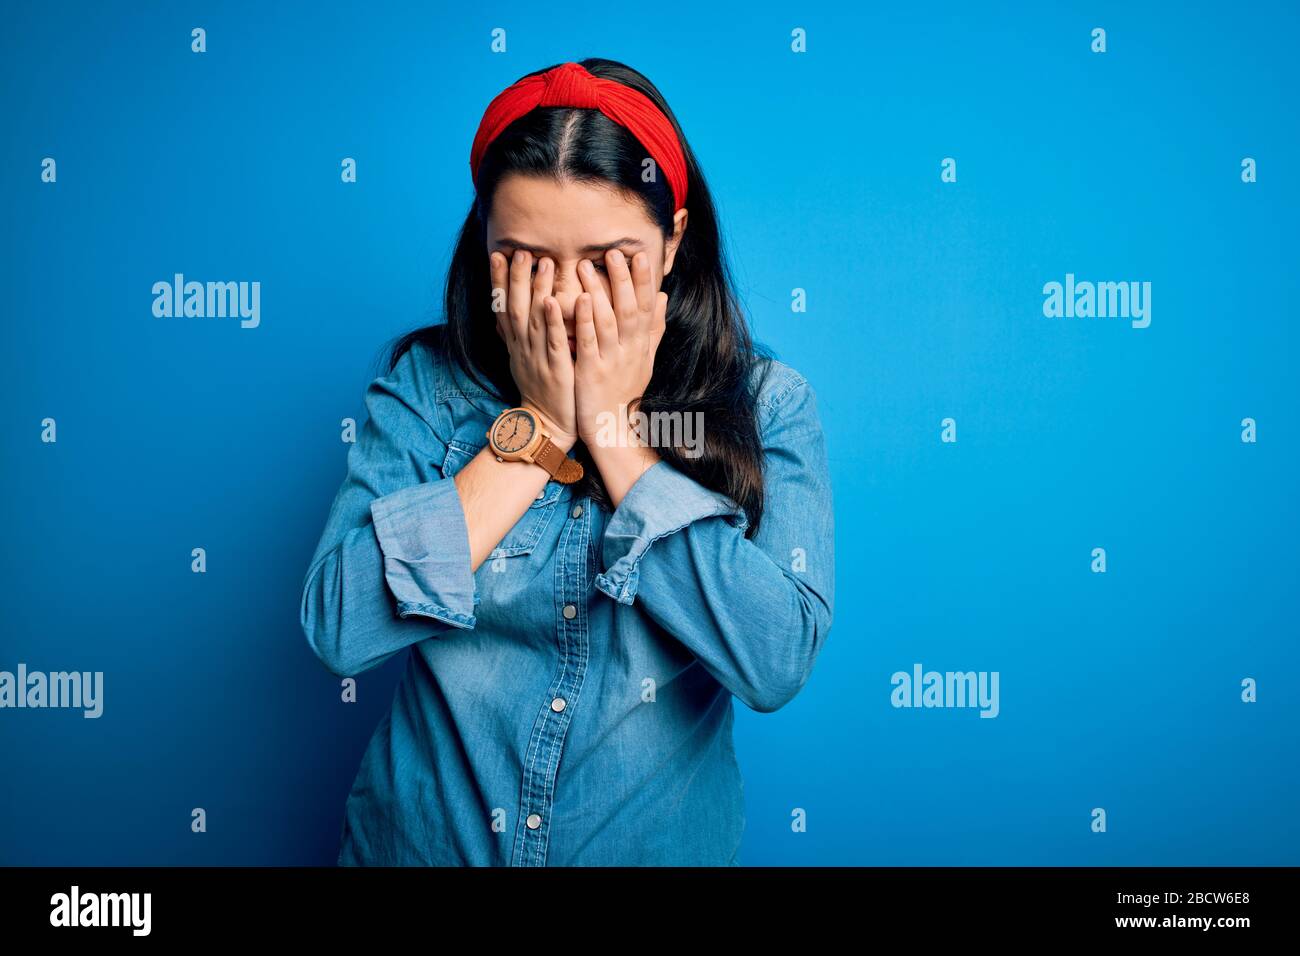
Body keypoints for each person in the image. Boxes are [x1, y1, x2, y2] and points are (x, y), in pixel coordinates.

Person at [300, 58, 835, 866]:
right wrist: (542, 425)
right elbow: (339, 628)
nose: (561, 299)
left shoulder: (767, 405)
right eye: (524, 258)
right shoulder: (428, 390)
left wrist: (613, 434)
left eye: (606, 260)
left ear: (672, 242)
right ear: (485, 246)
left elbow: (774, 661)